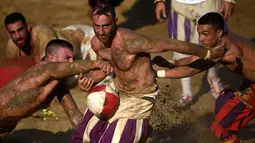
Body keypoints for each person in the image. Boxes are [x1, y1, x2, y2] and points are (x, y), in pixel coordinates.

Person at [71, 4, 227, 143]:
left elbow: (171, 44)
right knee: (84, 134)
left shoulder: (132, 42)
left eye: (106, 26)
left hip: (139, 97)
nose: (101, 32)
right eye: (96, 26)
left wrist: (207, 53)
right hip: (116, 90)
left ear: (116, 21)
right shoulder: (96, 43)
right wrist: (90, 79)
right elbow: (102, 70)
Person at [153, 12, 255, 143]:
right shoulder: (222, 39)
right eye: (200, 33)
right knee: (224, 109)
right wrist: (170, 63)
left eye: (205, 34)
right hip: (250, 84)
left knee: (224, 122)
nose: (201, 39)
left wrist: (156, 74)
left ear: (218, 33)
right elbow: (193, 58)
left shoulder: (224, 50)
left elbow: (189, 70)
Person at [0, 39, 110, 138]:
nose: (71, 61)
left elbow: (74, 115)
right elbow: (72, 67)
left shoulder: (58, 84)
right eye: (67, 58)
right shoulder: (46, 68)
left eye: (73, 58)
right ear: (51, 58)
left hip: (5, 128)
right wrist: (98, 63)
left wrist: (90, 138)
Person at [154, 0, 236, 106]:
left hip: (208, 3)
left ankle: (214, 79)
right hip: (180, 4)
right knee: (180, 47)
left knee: (211, 45)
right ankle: (186, 93)